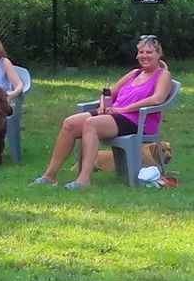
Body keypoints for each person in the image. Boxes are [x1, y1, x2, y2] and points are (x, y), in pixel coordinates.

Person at [34, 34, 172, 189]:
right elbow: (109, 93)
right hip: (114, 114)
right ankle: (50, 176)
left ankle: (84, 179)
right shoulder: (135, 73)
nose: (144, 56)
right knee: (70, 124)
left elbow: (157, 99)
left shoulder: (163, 75)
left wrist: (124, 109)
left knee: (91, 124)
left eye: (149, 52)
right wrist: (103, 105)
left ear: (159, 54)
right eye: (141, 52)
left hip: (138, 120)